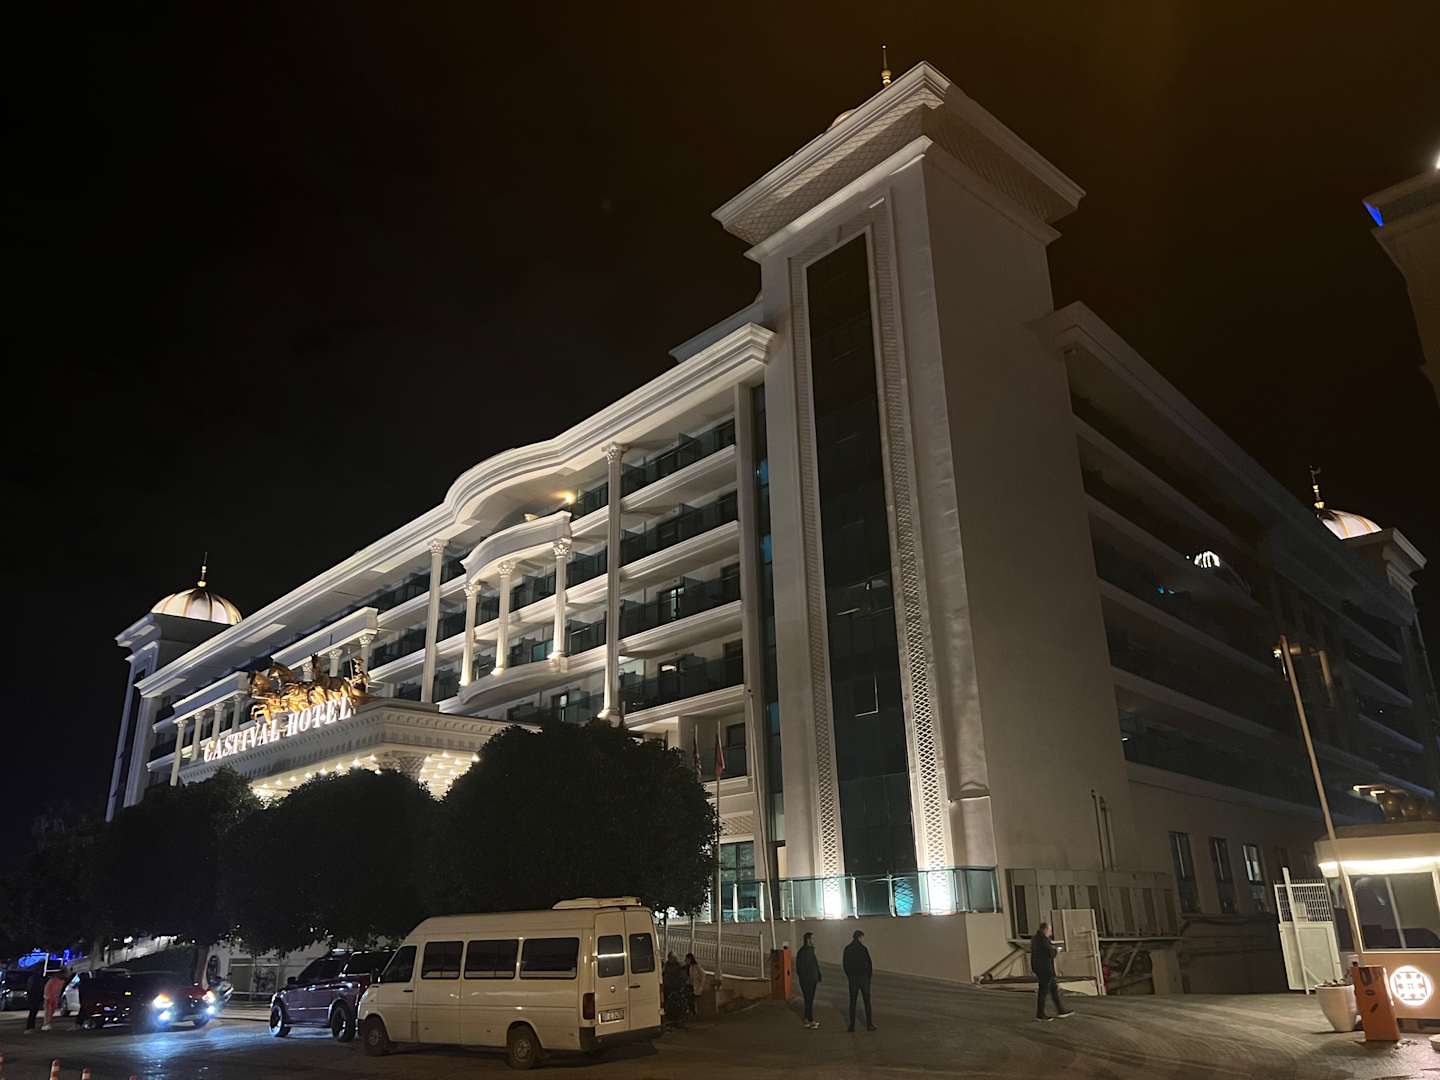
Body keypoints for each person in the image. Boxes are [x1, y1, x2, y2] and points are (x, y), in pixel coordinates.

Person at [1031, 922, 1073, 1021]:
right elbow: (1050, 953)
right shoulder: (1043, 940)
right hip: (1045, 969)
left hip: (1040, 968)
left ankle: (1061, 1010)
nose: (1051, 932)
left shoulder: (1035, 939)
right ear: (1045, 930)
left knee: (1053, 989)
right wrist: (1056, 951)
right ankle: (1040, 1014)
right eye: (1050, 930)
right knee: (1043, 991)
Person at [842, 930, 875, 1032]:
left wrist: (850, 976)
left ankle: (852, 1025)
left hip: (853, 979)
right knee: (867, 1002)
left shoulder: (847, 949)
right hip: (863, 978)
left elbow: (845, 964)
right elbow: (869, 964)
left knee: (853, 1002)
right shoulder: (863, 949)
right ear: (859, 937)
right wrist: (868, 977)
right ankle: (869, 1024)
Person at [795, 932, 822, 1029]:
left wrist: (818, 975)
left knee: (810, 1000)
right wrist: (805, 979)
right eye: (812, 938)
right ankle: (809, 1020)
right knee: (808, 1000)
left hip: (813, 979)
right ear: (808, 940)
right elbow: (800, 968)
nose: (813, 940)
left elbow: (815, 964)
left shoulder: (811, 950)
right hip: (807, 981)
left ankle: (809, 1019)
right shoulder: (803, 952)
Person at [662, 952, 687, 1027]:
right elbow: (664, 973)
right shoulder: (667, 964)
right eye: (669, 957)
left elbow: (682, 976)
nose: (670, 959)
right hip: (668, 986)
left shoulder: (678, 965)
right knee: (668, 1002)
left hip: (675, 987)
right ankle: (670, 1017)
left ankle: (676, 1018)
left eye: (671, 958)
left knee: (675, 1003)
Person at [24, 967, 45, 1033]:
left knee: (33, 1013)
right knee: (33, 1013)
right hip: (34, 998)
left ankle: (30, 1027)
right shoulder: (37, 979)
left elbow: (29, 988)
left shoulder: (33, 978)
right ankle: (30, 1027)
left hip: (33, 997)